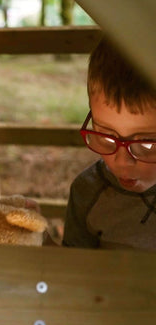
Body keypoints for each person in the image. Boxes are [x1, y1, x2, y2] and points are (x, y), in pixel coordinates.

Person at [63, 38, 156, 250]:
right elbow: (75, 269)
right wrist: (38, 240)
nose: (122, 163)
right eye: (105, 137)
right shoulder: (88, 192)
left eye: (148, 144)